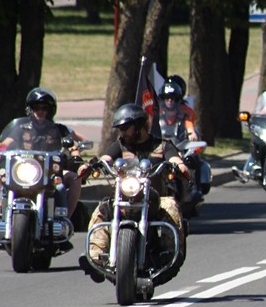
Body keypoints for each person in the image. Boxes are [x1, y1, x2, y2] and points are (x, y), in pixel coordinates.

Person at [76, 103, 189, 284]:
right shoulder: (120, 145)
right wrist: (89, 166)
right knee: (103, 207)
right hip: (124, 195)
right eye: (120, 129)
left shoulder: (161, 145)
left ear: (139, 126)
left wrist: (180, 166)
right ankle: (94, 257)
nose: (122, 132)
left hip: (155, 199)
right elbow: (105, 158)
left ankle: (171, 254)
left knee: (171, 205)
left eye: (125, 128)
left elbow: (176, 159)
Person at [0, 87, 87, 223]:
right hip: (23, 170)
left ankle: (65, 220)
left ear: (50, 110)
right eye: (36, 108)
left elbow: (79, 141)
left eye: (44, 108)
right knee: (2, 177)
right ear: (30, 109)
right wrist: (1, 150)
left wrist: (76, 154)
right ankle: (2, 212)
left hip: (50, 171)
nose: (40, 111)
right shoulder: (20, 128)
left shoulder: (59, 129)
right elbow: (5, 143)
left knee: (67, 182)